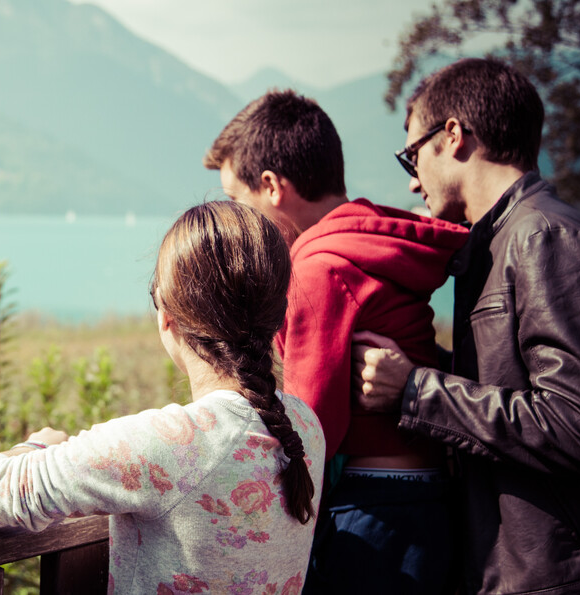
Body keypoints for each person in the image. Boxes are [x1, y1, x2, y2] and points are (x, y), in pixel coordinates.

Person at [0, 201, 325, 594]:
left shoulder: (164, 444)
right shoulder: (305, 426)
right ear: (276, 317)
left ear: (167, 313)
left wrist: (32, 447)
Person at [352, 58, 580, 595]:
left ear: (453, 136)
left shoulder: (546, 237)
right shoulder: (492, 244)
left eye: (412, 157)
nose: (412, 185)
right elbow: (517, 391)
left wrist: (415, 390)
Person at [203, 90, 469, 594]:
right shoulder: (365, 242)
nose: (239, 217)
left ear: (271, 186)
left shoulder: (318, 268)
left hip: (374, 510)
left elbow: (309, 424)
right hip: (424, 498)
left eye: (238, 200)